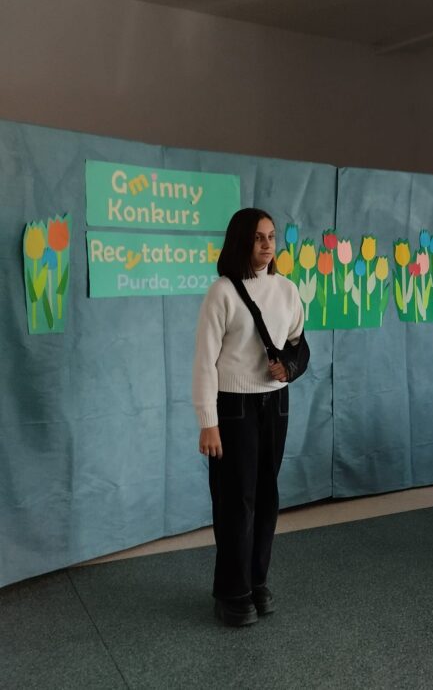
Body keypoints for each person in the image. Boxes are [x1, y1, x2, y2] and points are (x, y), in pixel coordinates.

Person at [192, 208, 304, 627]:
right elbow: (204, 361)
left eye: (271, 236)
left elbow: (298, 345)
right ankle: (232, 591)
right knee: (235, 500)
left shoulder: (287, 290)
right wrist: (208, 421)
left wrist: (288, 368)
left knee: (266, 497)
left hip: (275, 404)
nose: (267, 244)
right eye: (258, 237)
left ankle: (257, 581)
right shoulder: (221, 293)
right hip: (233, 406)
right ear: (241, 241)